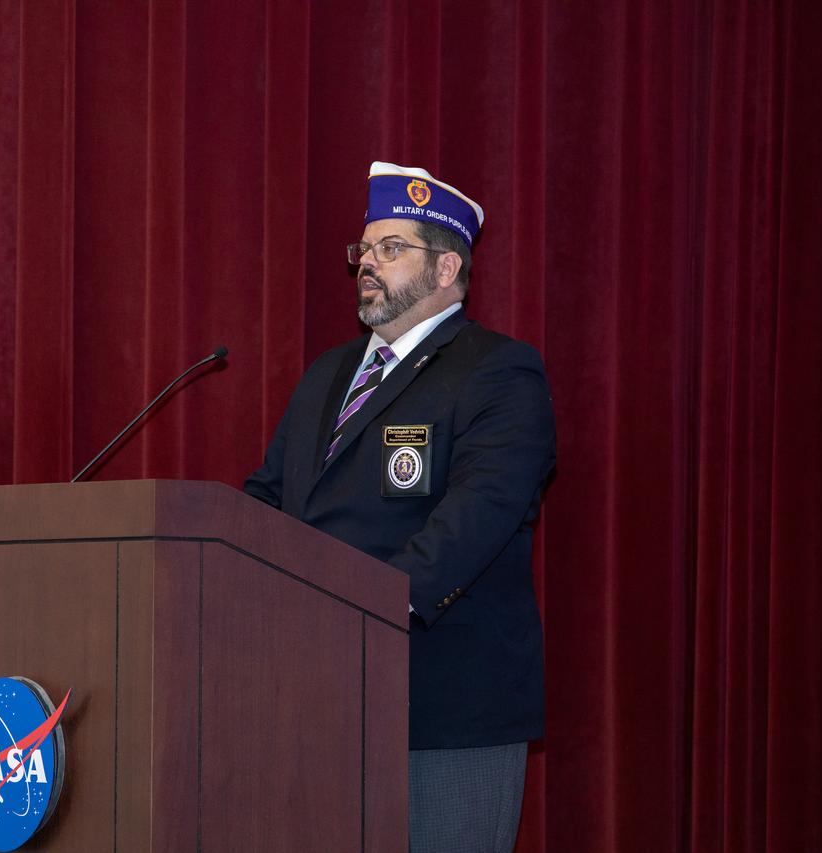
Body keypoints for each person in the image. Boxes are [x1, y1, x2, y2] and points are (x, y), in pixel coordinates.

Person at [244, 162, 556, 853]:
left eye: (392, 249)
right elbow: (268, 502)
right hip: (316, 706)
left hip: (441, 712)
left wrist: (346, 611)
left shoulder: (498, 373)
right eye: (364, 250)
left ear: (447, 269)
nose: (367, 265)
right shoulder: (327, 374)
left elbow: (471, 521)